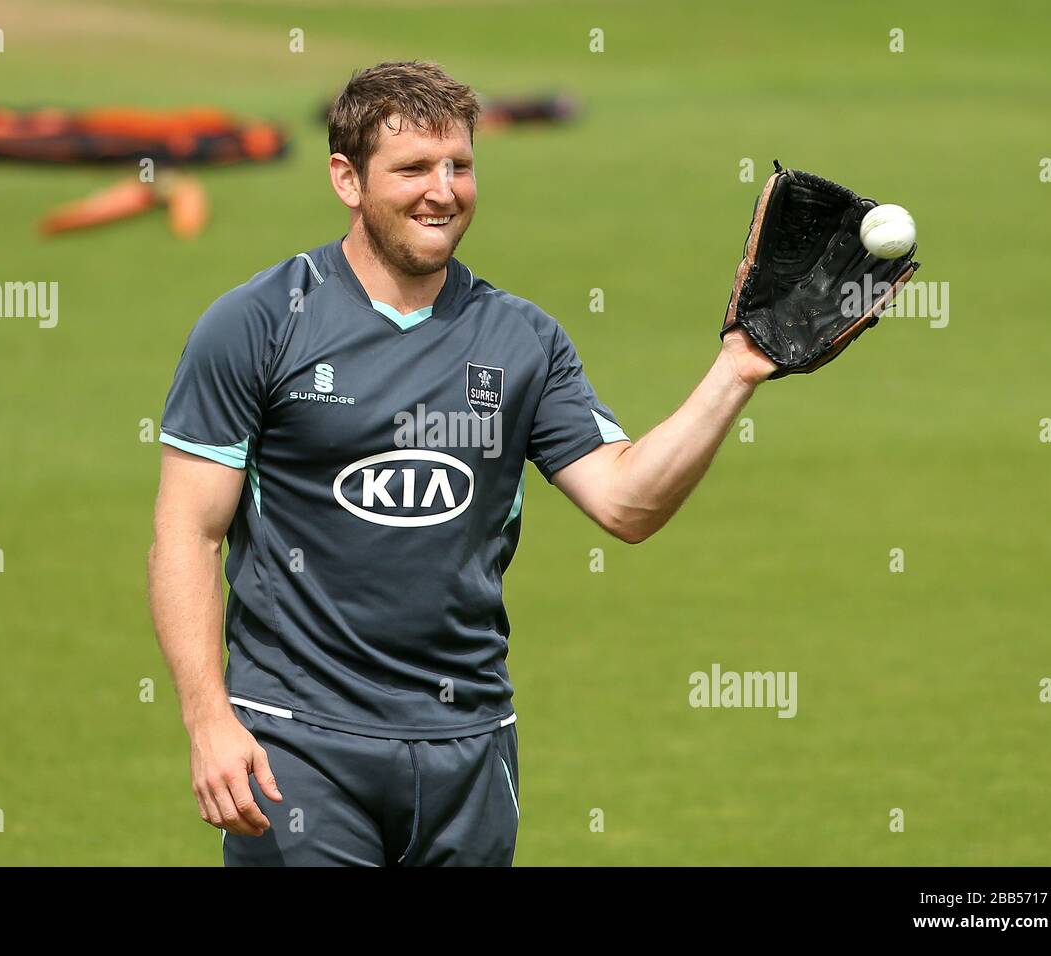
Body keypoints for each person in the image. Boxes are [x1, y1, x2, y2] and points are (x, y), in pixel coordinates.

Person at [147, 60, 775, 866]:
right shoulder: (259, 324)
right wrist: (208, 721)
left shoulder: (522, 340)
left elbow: (627, 503)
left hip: (468, 748)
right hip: (296, 744)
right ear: (347, 178)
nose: (443, 191)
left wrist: (738, 370)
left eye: (460, 166)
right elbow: (186, 534)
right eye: (412, 169)